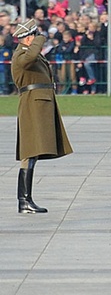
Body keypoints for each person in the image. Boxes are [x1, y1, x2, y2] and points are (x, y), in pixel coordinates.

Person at [11, 19, 73, 213]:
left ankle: (25, 199)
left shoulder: (28, 53)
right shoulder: (21, 54)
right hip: (33, 104)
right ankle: (24, 200)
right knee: (30, 152)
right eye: (34, 36)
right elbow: (29, 58)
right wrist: (40, 38)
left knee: (33, 153)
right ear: (28, 38)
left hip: (39, 103)